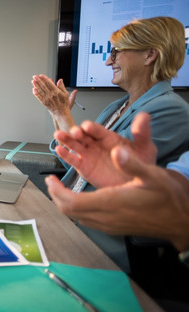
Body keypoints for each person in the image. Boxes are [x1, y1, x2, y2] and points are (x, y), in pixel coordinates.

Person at [31, 16, 189, 271]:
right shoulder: (118, 106)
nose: (108, 60)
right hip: (72, 218)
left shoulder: (171, 110)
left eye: (116, 52)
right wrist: (56, 113)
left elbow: (106, 168)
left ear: (150, 55)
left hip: (105, 239)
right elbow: (76, 159)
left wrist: (62, 114)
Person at [45, 112, 189, 307]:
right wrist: (130, 182)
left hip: (111, 256)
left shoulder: (169, 109)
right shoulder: (117, 106)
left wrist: (178, 222)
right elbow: (179, 179)